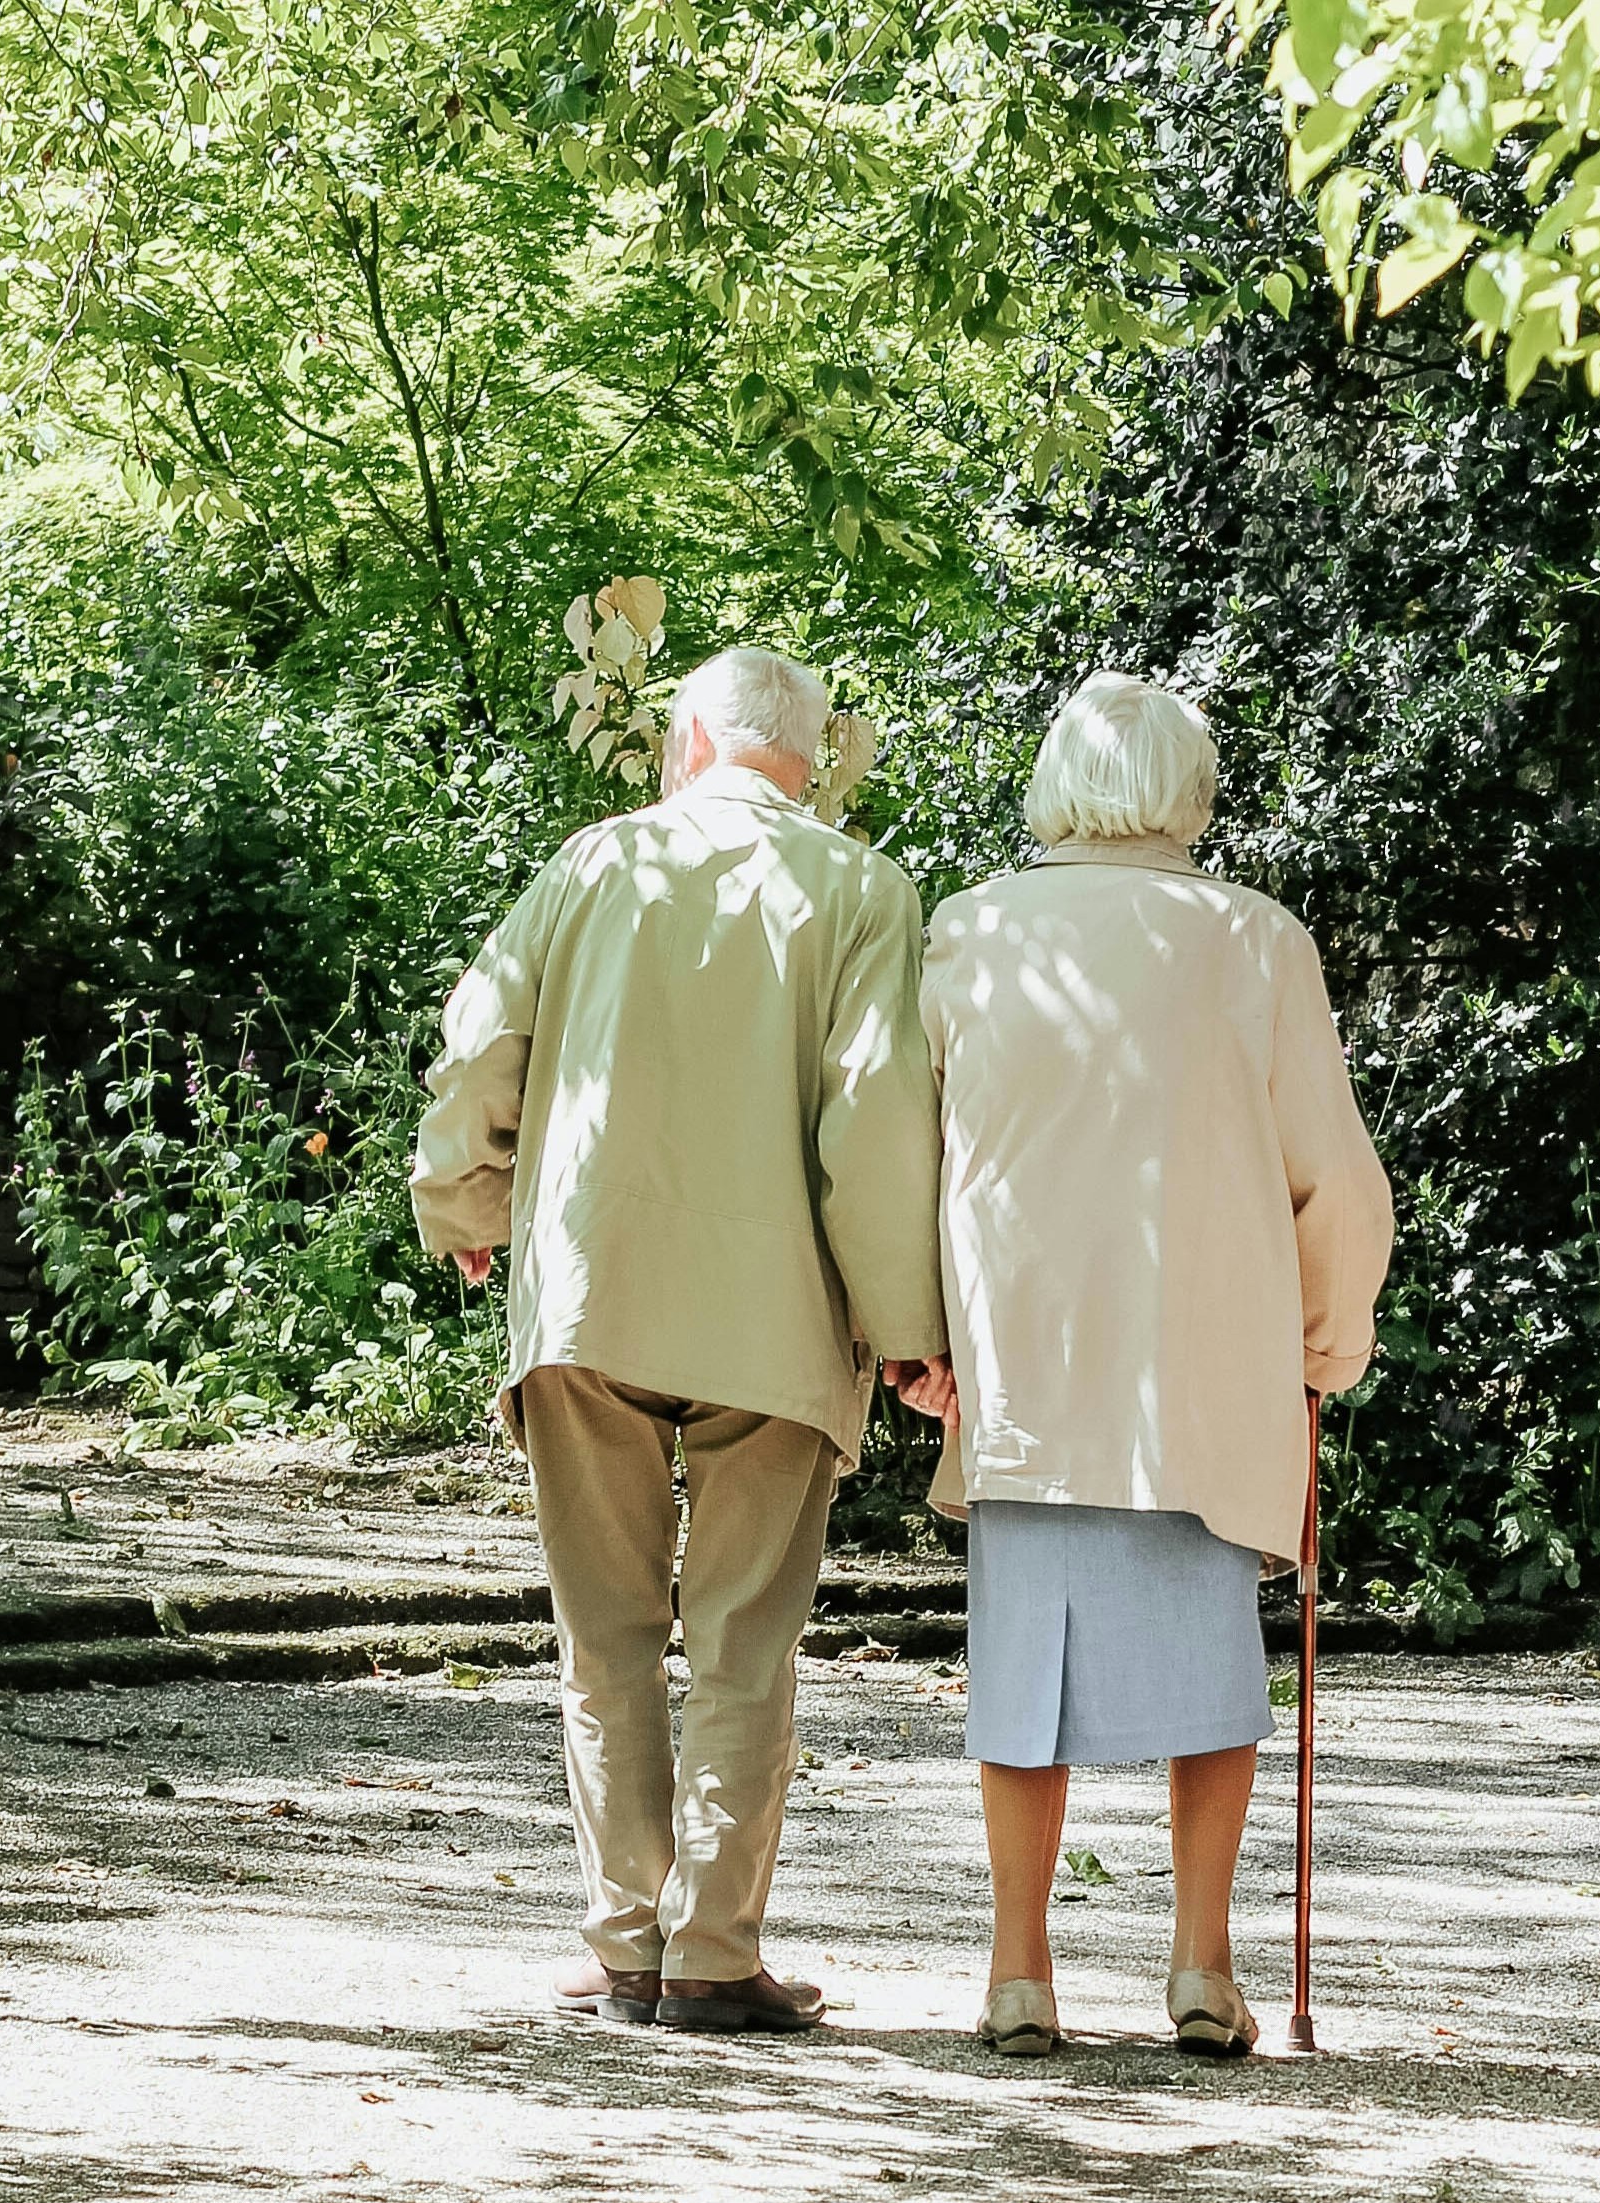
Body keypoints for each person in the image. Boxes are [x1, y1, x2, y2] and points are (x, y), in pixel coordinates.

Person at [410, 646, 950, 2036]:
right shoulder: (863, 889)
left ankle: (624, 1944)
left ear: (691, 742)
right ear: (809, 762)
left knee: (605, 1637)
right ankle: (711, 1952)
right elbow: (875, 1121)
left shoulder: (592, 864)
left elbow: (480, 1048)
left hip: (591, 1296)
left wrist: (463, 1201)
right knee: (743, 1643)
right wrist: (906, 1329)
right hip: (775, 1315)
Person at [909, 670, 1393, 2059]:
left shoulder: (972, 930)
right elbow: (1332, 1176)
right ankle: (1201, 1964)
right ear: (1192, 790)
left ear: (1057, 783)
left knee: (1021, 1676)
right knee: (1212, 1672)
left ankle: (1018, 1972)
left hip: (1027, 1357)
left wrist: (917, 1337)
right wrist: (1329, 1337)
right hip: (1205, 1364)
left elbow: (912, 1154)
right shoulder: (1255, 941)